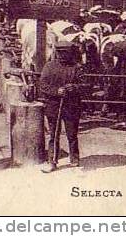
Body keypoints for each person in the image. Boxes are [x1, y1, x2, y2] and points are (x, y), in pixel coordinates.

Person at [38, 41, 87, 172]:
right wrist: (56, 91)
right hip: (53, 106)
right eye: (60, 53)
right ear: (56, 52)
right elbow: (42, 85)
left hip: (71, 106)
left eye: (65, 53)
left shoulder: (77, 67)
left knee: (72, 134)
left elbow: (85, 86)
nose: (62, 55)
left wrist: (74, 87)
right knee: (54, 135)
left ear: (70, 53)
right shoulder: (49, 66)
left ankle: (74, 158)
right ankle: (52, 161)